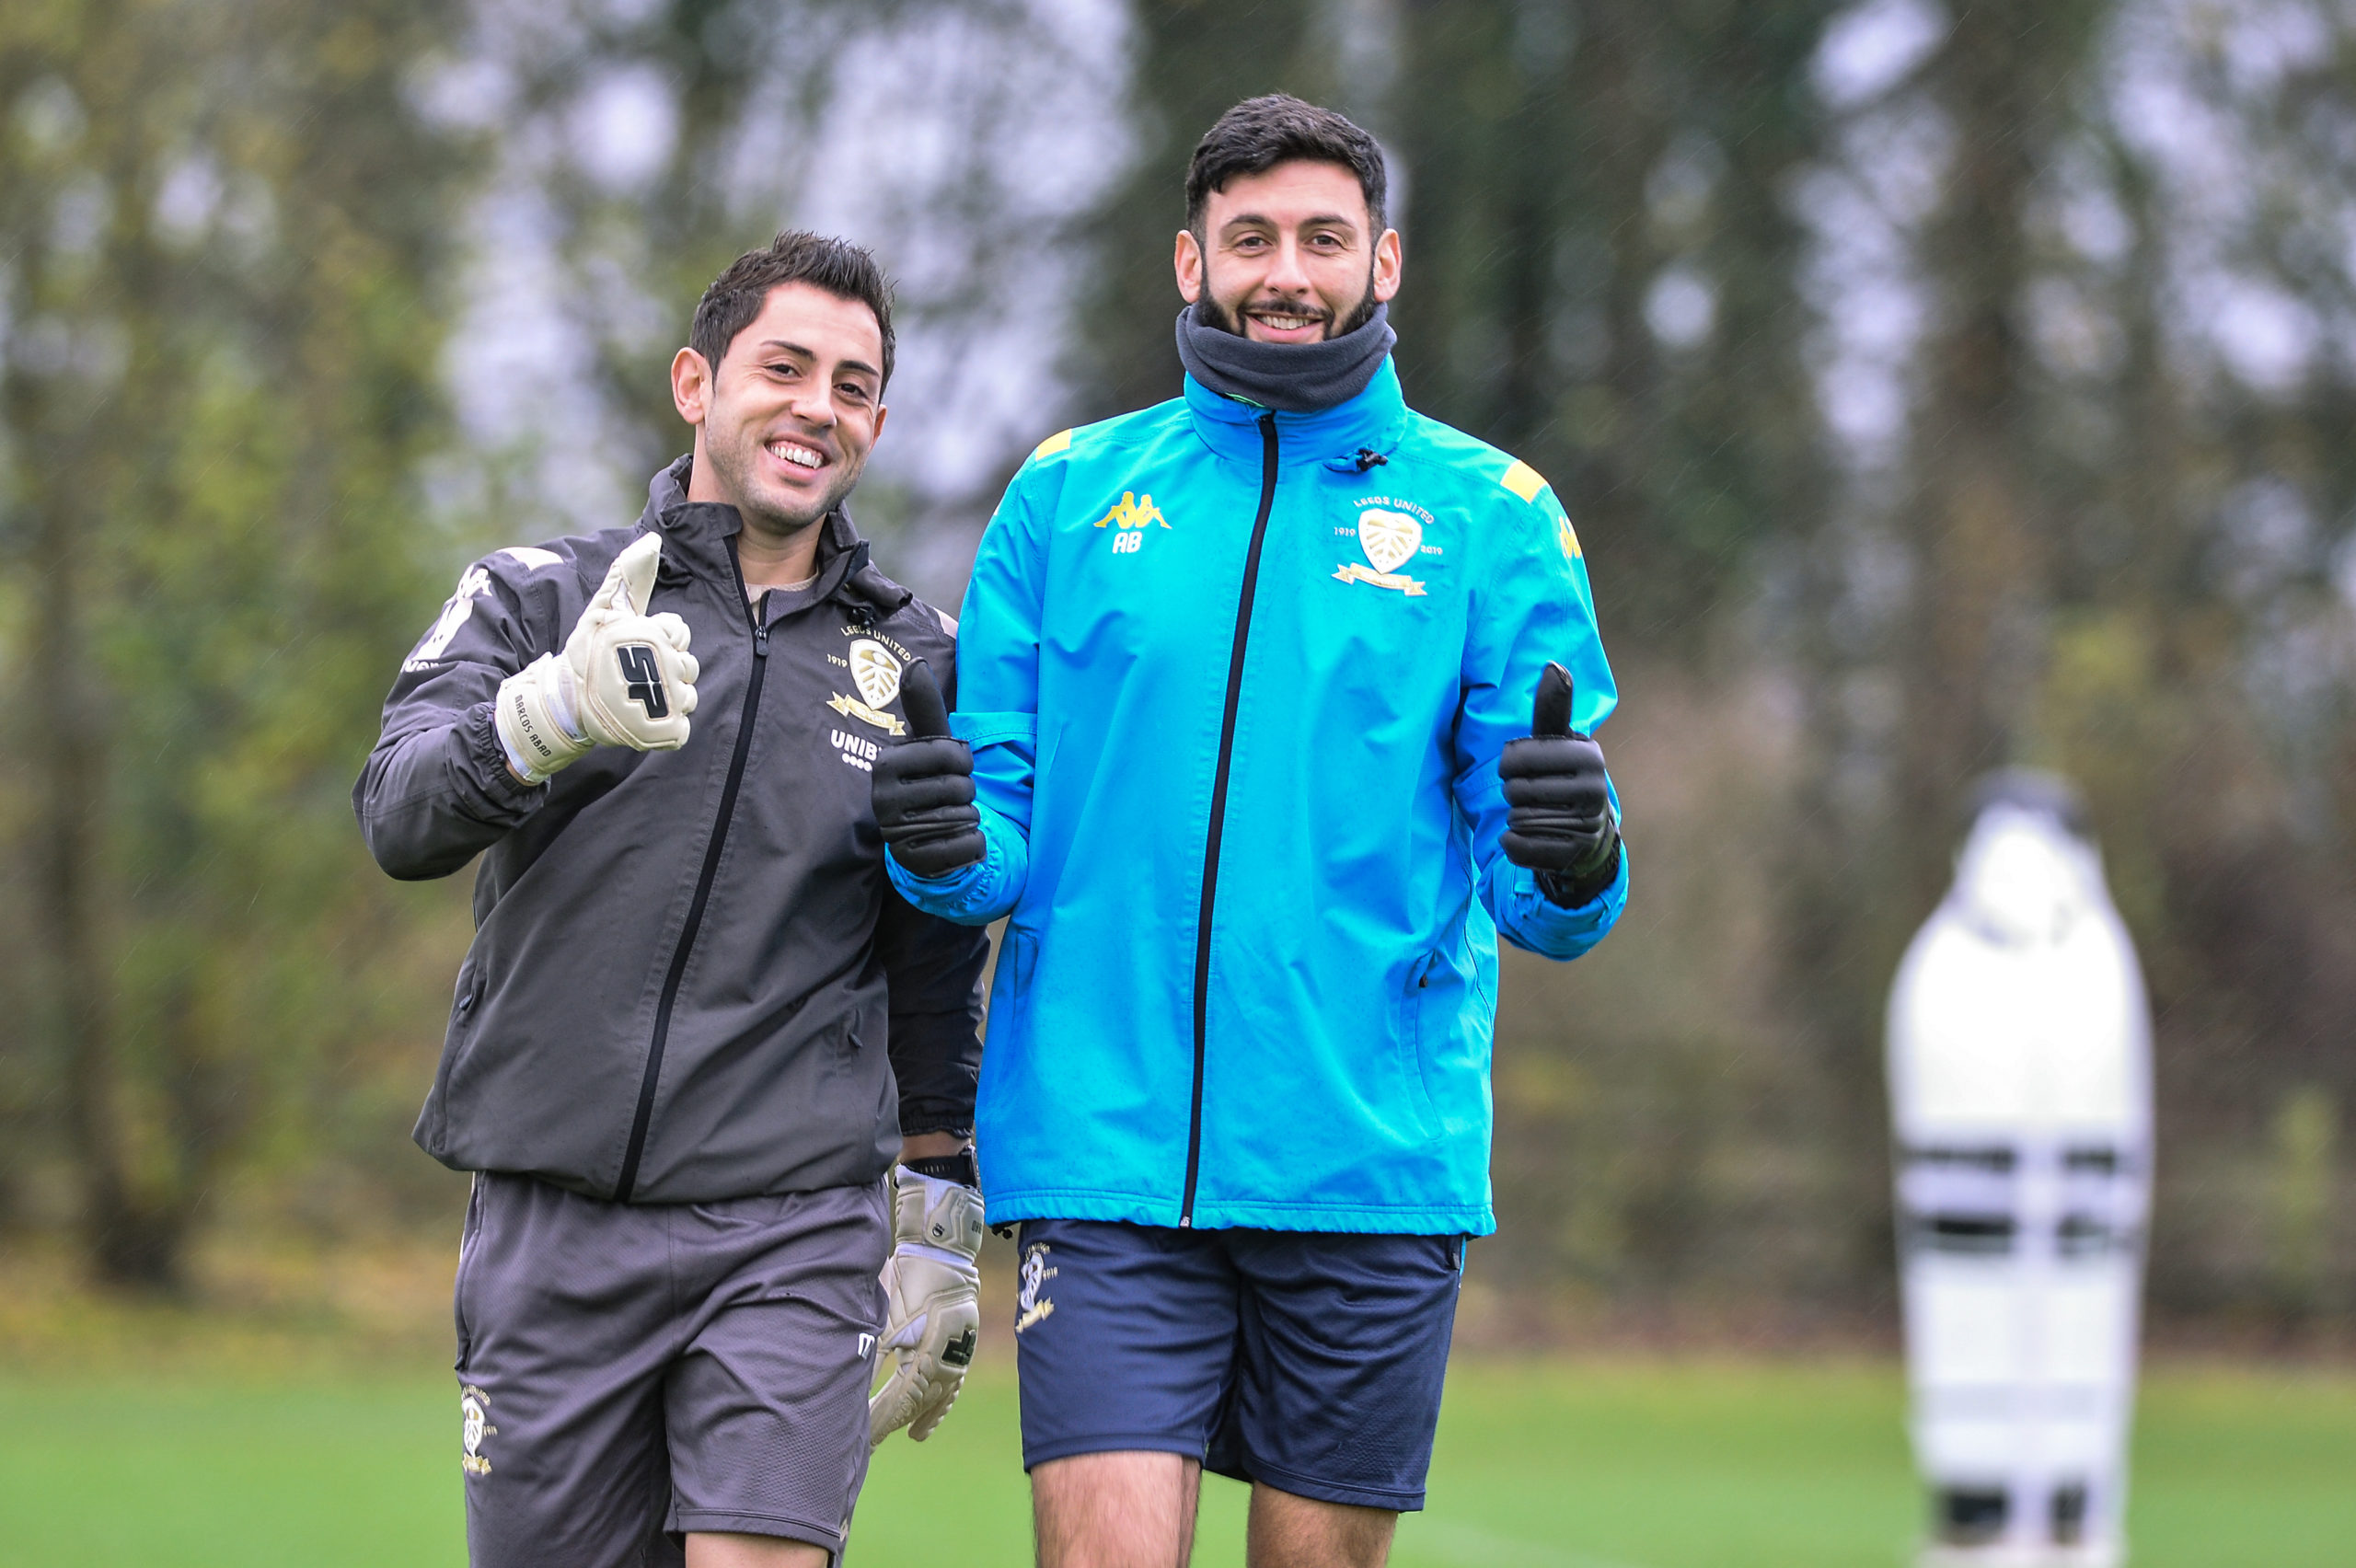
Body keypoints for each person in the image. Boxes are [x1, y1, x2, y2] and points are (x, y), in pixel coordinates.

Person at [871, 96, 1630, 1568]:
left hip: (1368, 1157)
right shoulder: (1068, 495)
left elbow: (1541, 892)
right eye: (1252, 239)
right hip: (1105, 1155)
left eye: (1323, 238)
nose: (1288, 271)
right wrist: (934, 831)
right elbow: (993, 840)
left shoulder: (1495, 513)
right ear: (1189, 259)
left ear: (1385, 262)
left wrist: (1575, 850)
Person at [356, 231, 992, 1568]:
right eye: (786, 366)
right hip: (552, 1219)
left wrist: (940, 1214)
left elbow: (933, 953)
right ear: (695, 382)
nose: (820, 406)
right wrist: (543, 720)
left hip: (794, 1224)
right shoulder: (541, 597)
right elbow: (399, 814)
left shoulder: (919, 660)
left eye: (857, 385)